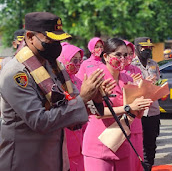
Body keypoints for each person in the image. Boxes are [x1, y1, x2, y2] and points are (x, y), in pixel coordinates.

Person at [0, 12, 110, 171]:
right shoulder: (16, 73)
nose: (56, 45)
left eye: (59, 40)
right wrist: (83, 98)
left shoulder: (54, 68)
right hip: (25, 162)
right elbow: (39, 121)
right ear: (30, 37)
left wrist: (96, 99)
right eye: (50, 39)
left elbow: (69, 107)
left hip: (56, 161)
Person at [82, 38, 153, 171]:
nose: (122, 59)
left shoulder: (128, 79)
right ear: (106, 56)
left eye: (125, 55)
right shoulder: (96, 78)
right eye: (118, 55)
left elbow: (135, 114)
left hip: (122, 143)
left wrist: (143, 102)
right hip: (99, 144)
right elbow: (97, 112)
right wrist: (128, 108)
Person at [131, 37, 160, 171]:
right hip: (138, 111)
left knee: (151, 143)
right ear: (136, 47)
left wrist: (158, 86)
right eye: (144, 48)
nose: (147, 50)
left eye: (149, 48)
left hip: (153, 110)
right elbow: (129, 88)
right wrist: (143, 84)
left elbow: (158, 82)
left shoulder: (154, 64)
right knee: (138, 143)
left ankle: (149, 167)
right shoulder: (131, 65)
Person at [57, 42, 85, 171]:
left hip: (82, 134)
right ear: (63, 59)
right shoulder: (56, 82)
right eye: (74, 60)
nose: (78, 64)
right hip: (64, 137)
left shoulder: (79, 81)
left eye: (80, 60)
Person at [122, 39, 144, 171]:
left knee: (137, 157)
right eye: (125, 54)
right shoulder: (116, 72)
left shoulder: (136, 69)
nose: (128, 57)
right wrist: (131, 84)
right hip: (122, 121)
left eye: (130, 53)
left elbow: (140, 93)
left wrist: (145, 85)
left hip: (136, 120)